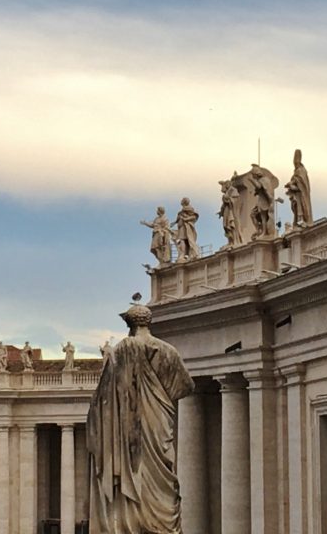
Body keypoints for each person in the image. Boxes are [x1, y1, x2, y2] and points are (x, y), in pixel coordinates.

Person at [87, 299, 195, 534]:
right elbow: (186, 385)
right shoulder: (168, 350)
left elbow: (103, 397)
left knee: (133, 472)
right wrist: (160, 393)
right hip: (158, 420)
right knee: (162, 477)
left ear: (129, 324)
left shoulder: (121, 351)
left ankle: (130, 523)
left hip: (127, 425)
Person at [285, 149, 313, 227]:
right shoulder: (296, 171)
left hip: (300, 194)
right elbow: (296, 180)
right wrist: (291, 184)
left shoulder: (301, 171)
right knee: (296, 207)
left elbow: (302, 183)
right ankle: (298, 221)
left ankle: (302, 220)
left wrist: (293, 184)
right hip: (296, 194)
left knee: (301, 207)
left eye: (296, 162)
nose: (295, 163)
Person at [217, 175, 240, 247]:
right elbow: (224, 204)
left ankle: (233, 241)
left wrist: (228, 200)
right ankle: (230, 241)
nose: (222, 189)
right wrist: (221, 211)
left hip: (230, 210)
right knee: (226, 226)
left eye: (223, 186)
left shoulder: (233, 190)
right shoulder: (227, 193)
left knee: (230, 225)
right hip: (226, 210)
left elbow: (236, 199)